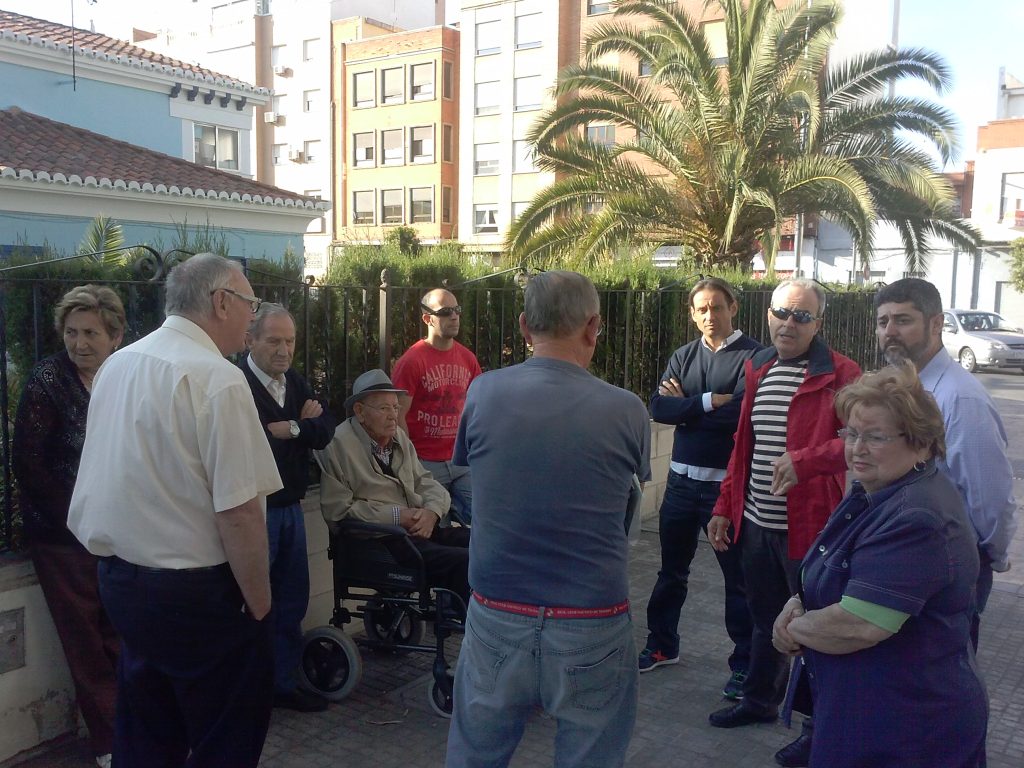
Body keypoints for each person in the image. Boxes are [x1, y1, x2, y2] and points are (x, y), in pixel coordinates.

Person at [67, 253, 282, 768]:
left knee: (145, 734)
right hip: (198, 595)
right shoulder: (218, 379)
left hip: (123, 584)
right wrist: (261, 607)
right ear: (221, 302)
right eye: (249, 305)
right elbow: (240, 511)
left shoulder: (118, 364)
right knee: (224, 739)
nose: (252, 318)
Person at [445, 271, 652, 768]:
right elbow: (630, 493)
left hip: (497, 612)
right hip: (591, 620)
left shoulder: (482, 393)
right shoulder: (627, 410)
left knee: (475, 757)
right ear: (593, 327)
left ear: (523, 325)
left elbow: (471, 466)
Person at [772, 363, 987, 768]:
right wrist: (793, 604)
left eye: (875, 437)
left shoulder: (916, 518)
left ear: (921, 444)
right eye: (851, 434)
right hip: (868, 715)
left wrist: (791, 628)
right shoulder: (876, 490)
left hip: (907, 732)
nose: (857, 448)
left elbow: (860, 625)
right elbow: (824, 574)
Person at [706, 279, 860, 768]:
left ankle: (819, 729)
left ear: (818, 324)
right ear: (767, 315)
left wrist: (807, 460)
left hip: (810, 529)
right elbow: (742, 449)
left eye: (802, 316)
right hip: (756, 523)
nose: (789, 323)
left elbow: (858, 441)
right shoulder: (760, 367)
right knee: (762, 620)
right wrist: (724, 508)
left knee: (814, 628)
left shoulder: (842, 373)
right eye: (781, 313)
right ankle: (758, 701)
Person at [13, 285, 125, 768]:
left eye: (91, 333)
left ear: (116, 336)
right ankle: (108, 742)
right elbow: (29, 464)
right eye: (72, 332)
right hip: (63, 537)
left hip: (120, 530)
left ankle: (138, 727)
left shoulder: (124, 375)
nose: (80, 342)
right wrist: (80, 522)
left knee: (124, 633)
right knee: (86, 641)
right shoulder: (46, 379)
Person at [875, 277, 1017, 650]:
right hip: (900, 559)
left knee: (940, 676)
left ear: (936, 324)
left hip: (951, 568)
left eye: (903, 320)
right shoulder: (897, 389)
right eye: (883, 321)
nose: (890, 331)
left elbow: (991, 499)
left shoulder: (960, 398)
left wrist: (989, 558)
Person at [639, 278, 761, 704]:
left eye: (717, 307)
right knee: (671, 571)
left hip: (724, 491)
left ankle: (744, 665)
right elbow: (658, 408)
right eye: (701, 309)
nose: (710, 316)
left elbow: (741, 421)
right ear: (692, 314)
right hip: (679, 484)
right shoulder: (683, 355)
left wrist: (687, 406)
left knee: (737, 580)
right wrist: (711, 401)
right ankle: (662, 645)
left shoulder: (756, 357)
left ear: (734, 308)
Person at [241, 303, 336, 712]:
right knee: (253, 604)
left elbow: (325, 429)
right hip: (254, 511)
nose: (283, 350)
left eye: (290, 341)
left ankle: (283, 684)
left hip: (292, 509)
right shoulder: (238, 384)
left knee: (291, 600)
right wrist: (299, 428)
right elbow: (254, 440)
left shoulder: (294, 381)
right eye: (274, 340)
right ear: (250, 340)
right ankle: (250, 690)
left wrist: (295, 427)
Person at [315, 369, 470, 604]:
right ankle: (469, 626)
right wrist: (398, 516)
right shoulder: (337, 445)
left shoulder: (398, 436)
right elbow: (340, 511)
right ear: (360, 411)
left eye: (396, 408)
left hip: (416, 531)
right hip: (382, 541)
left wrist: (432, 512)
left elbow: (426, 481)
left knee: (480, 541)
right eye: (384, 408)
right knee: (464, 560)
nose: (393, 416)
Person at [391, 288, 482, 523]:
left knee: (481, 518)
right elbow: (398, 416)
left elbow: (477, 408)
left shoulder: (467, 359)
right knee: (433, 528)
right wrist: (409, 464)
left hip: (462, 459)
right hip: (426, 463)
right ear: (427, 318)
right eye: (445, 312)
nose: (454, 317)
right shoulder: (411, 361)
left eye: (457, 310)